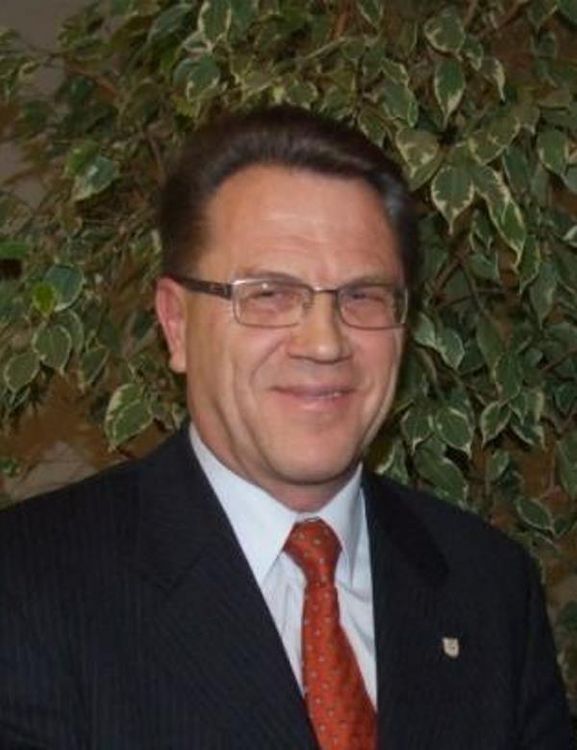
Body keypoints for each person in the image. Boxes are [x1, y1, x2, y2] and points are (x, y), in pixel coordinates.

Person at [0, 106, 572, 750]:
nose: (324, 343)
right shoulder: (27, 587)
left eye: (362, 296)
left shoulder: (488, 584)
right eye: (269, 294)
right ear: (177, 324)